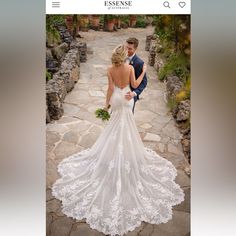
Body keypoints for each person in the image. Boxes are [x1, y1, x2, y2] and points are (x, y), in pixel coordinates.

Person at [52, 44, 184, 236]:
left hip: (116, 99)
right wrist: (144, 71)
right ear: (124, 57)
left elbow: (110, 88)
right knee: (127, 128)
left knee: (114, 128)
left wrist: (106, 105)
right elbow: (136, 85)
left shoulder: (109, 69)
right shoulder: (130, 68)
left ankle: (111, 154)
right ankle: (125, 154)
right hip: (127, 98)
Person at [125, 37, 148, 113]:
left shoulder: (139, 63)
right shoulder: (121, 58)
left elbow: (144, 82)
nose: (127, 50)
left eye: (130, 49)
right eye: (126, 47)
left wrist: (134, 93)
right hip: (119, 94)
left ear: (135, 49)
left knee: (128, 119)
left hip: (130, 96)